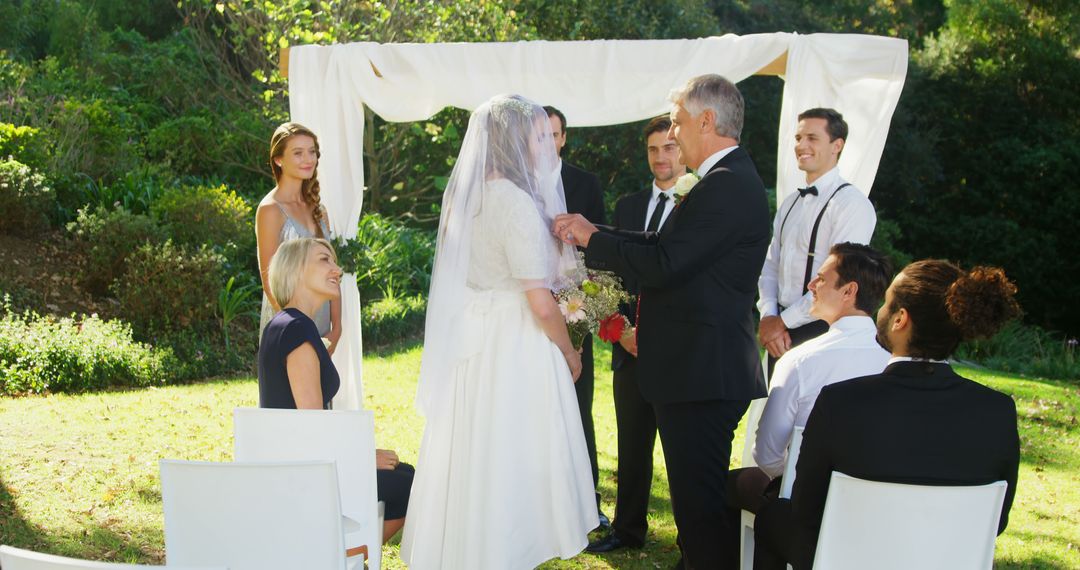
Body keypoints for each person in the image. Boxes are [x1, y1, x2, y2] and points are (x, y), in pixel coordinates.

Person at [555, 74, 771, 569]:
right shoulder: (722, 180)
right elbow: (661, 246)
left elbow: (666, 265)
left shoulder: (727, 185)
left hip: (703, 373)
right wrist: (594, 230)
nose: (673, 134)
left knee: (700, 508)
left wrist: (592, 240)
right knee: (696, 506)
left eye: (677, 122)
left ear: (706, 120)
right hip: (696, 370)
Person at [400, 95, 598, 569]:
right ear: (515, 141)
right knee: (514, 452)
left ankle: (475, 547)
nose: (543, 146)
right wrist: (571, 353)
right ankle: (507, 549)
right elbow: (539, 301)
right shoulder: (514, 202)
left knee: (477, 449)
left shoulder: (470, 198)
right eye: (536, 136)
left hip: (476, 346)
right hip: (516, 344)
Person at [754, 259, 1022, 569]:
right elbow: (995, 522)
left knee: (773, 516)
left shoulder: (841, 401)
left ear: (900, 319)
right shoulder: (997, 411)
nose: (880, 310)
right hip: (942, 560)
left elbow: (805, 511)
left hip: (849, 558)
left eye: (888, 302)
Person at [257, 237, 413, 543]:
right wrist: (362, 457)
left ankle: (340, 556)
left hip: (293, 466)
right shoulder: (297, 329)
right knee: (410, 485)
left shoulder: (283, 324)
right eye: (324, 260)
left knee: (404, 474)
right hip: (303, 477)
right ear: (296, 270)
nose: (337, 269)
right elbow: (312, 425)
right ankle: (336, 557)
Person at [727, 242, 891, 520]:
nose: (812, 285)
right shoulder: (892, 360)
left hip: (802, 503)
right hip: (873, 501)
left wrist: (796, 479)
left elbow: (766, 454)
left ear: (849, 291)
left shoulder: (801, 360)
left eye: (822, 278)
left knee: (723, 486)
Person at [587, 115, 684, 554]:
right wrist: (623, 331)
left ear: (683, 149)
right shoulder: (626, 207)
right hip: (629, 347)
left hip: (680, 348)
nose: (660, 157)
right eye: (653, 150)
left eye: (669, 147)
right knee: (631, 444)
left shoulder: (700, 204)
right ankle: (627, 530)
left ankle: (692, 536)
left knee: (682, 451)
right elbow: (606, 273)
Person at [757, 108, 876, 378]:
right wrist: (768, 314)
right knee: (770, 413)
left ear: (837, 145)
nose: (801, 146)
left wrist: (782, 322)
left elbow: (840, 279)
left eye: (812, 137)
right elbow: (770, 265)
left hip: (823, 328)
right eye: (798, 138)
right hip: (779, 328)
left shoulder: (852, 205)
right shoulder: (790, 203)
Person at [544, 104, 608, 527]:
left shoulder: (585, 183)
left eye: (554, 134)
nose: (547, 143)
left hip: (574, 308)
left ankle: (588, 503)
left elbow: (599, 249)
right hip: (528, 311)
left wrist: (587, 305)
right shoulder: (515, 183)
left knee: (578, 407)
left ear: (564, 138)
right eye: (539, 135)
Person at [256, 122, 341, 352]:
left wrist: (337, 326)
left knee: (320, 388)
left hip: (322, 320)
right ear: (278, 160)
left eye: (312, 151)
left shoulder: (319, 209)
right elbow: (268, 280)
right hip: (288, 324)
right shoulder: (270, 210)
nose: (308, 159)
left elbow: (332, 269)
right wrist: (296, 329)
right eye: (298, 153)